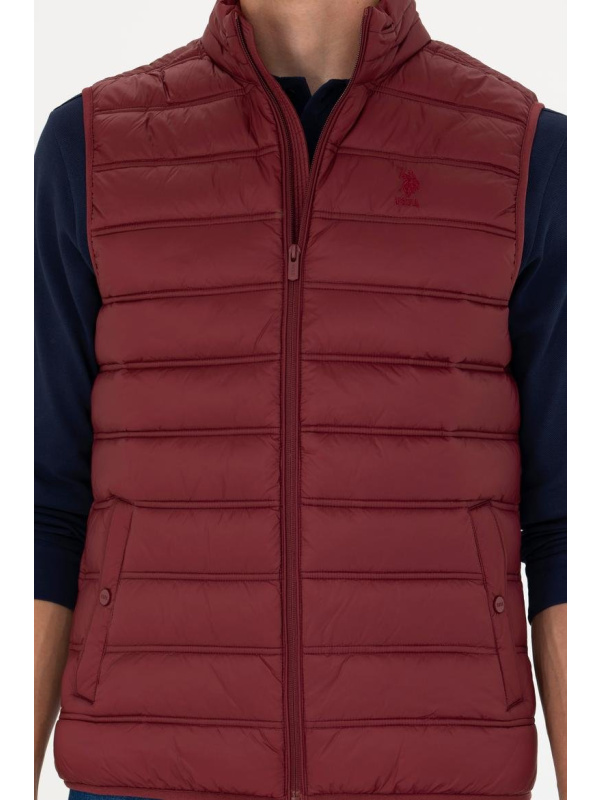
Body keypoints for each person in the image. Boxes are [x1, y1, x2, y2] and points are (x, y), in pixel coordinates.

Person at [34, 1, 566, 799]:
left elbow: (567, 525)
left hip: (437, 770)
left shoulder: (525, 155)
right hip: (146, 767)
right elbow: (42, 506)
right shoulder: (90, 149)